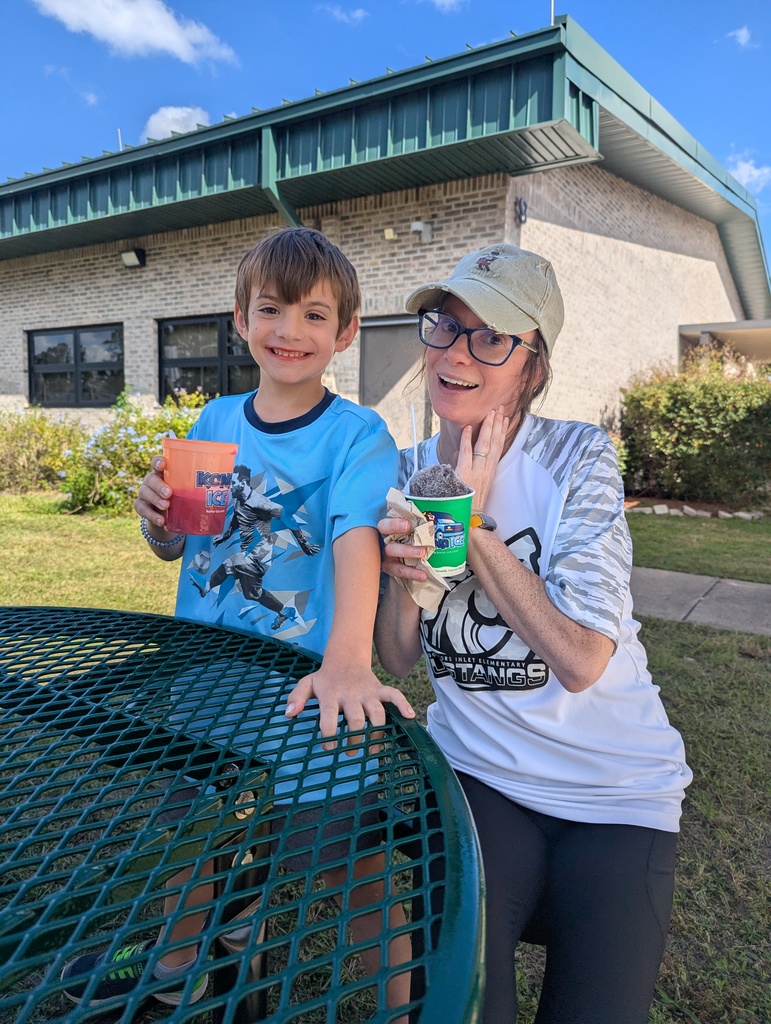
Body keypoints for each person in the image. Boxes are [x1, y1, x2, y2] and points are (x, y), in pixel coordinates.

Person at [61, 226, 414, 1014]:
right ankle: (190, 963)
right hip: (205, 673)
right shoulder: (215, 422)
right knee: (188, 835)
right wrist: (153, 518)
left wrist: (349, 660)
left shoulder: (358, 435)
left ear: (346, 331)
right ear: (239, 319)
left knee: (343, 857)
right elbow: (177, 542)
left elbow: (357, 539)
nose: (290, 332)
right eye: (271, 310)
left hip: (308, 682)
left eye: (315, 316)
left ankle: (407, 1005)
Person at [375, 243, 692, 1024]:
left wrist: (469, 522)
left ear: (532, 363)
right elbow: (397, 655)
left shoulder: (577, 457)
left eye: (491, 336)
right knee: (461, 1008)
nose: (456, 354)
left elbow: (582, 659)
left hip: (617, 792)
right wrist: (403, 576)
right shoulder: (407, 465)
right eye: (444, 326)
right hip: (481, 776)